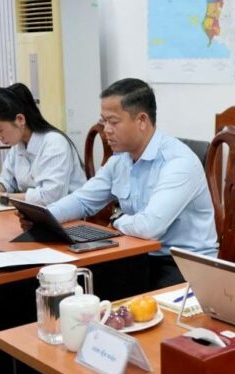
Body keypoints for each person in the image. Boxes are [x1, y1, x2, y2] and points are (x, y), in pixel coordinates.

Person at [41, 78, 218, 288]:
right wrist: (44, 218)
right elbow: (82, 200)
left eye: (113, 122)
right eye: (103, 121)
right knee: (70, 282)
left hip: (183, 264)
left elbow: (149, 227)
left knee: (104, 292)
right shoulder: (121, 160)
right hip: (137, 253)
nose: (106, 130)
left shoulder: (179, 163)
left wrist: (117, 221)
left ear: (142, 120)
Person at [0, 83, 86, 206]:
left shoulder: (54, 143)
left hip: (67, 214)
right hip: (34, 213)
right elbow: (8, 180)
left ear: (20, 119)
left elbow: (49, 198)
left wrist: (1, 197)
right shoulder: (19, 144)